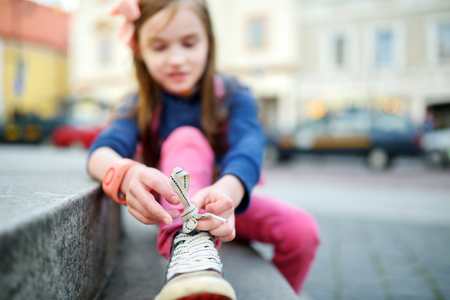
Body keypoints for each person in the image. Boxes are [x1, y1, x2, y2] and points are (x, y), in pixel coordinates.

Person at [87, 0, 320, 299]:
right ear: (140, 51)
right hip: (173, 211)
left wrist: (228, 193)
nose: (176, 59)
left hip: (223, 204)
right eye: (159, 47)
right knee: (187, 137)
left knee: (302, 230)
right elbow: (100, 152)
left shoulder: (233, 94)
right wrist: (127, 174)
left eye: (189, 43)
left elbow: (249, 147)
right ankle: (188, 248)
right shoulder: (139, 104)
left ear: (209, 42)